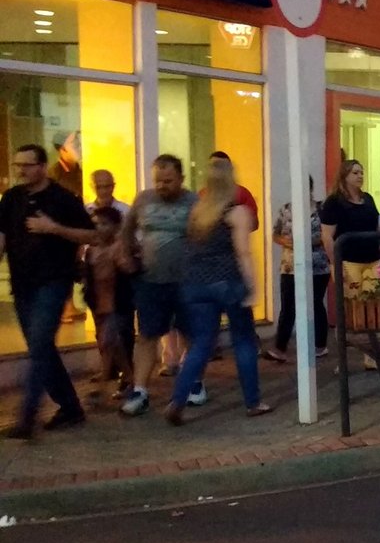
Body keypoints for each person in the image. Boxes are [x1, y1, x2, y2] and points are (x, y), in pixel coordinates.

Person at [166, 157, 271, 424]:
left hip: (196, 284)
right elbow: (243, 253)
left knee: (201, 343)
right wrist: (253, 287)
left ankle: (178, 399)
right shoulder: (236, 211)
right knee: (244, 341)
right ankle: (253, 401)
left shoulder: (198, 211)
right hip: (228, 282)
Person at [1, 144, 95, 438]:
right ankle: (70, 407)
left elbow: (92, 234)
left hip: (53, 281)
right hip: (22, 283)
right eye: (17, 165)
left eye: (26, 165)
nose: (20, 170)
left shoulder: (63, 199)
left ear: (42, 166)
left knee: (40, 346)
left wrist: (54, 228)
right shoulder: (12, 198)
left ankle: (27, 416)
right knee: (40, 348)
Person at [118, 154, 199, 417]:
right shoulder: (143, 200)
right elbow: (126, 229)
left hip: (186, 280)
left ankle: (194, 382)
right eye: (158, 181)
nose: (162, 186)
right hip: (151, 280)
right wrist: (126, 254)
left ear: (181, 179)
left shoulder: (193, 202)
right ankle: (140, 390)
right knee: (147, 335)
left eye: (168, 181)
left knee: (190, 332)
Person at [319, 159, 380, 371]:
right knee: (349, 310)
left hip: (372, 258)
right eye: (355, 172)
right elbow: (327, 235)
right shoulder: (334, 202)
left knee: (371, 307)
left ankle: (370, 355)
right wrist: (335, 262)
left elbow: (375, 225)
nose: (360, 176)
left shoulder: (368, 199)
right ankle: (342, 358)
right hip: (349, 260)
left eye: (362, 172)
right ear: (344, 175)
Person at [263, 179, 330, 363]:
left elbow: (327, 234)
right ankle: (280, 347)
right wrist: (284, 241)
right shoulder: (287, 209)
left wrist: (309, 243)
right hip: (290, 264)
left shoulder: (321, 209)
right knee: (288, 305)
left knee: (315, 303)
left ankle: (320, 344)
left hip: (317, 264)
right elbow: (276, 232)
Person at [83, 206, 134, 400]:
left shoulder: (118, 247)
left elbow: (128, 269)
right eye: (97, 224)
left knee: (107, 340)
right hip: (100, 301)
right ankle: (130, 377)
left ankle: (103, 384)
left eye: (105, 224)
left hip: (116, 301)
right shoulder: (92, 249)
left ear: (115, 226)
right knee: (114, 343)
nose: (100, 228)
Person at [207, 151, 259, 231]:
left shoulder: (242, 194)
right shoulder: (202, 195)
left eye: (221, 167)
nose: (218, 171)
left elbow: (254, 224)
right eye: (214, 166)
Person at [48, 131, 83, 198]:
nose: (80, 149)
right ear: (63, 149)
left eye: (79, 144)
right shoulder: (54, 175)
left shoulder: (82, 170)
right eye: (75, 145)